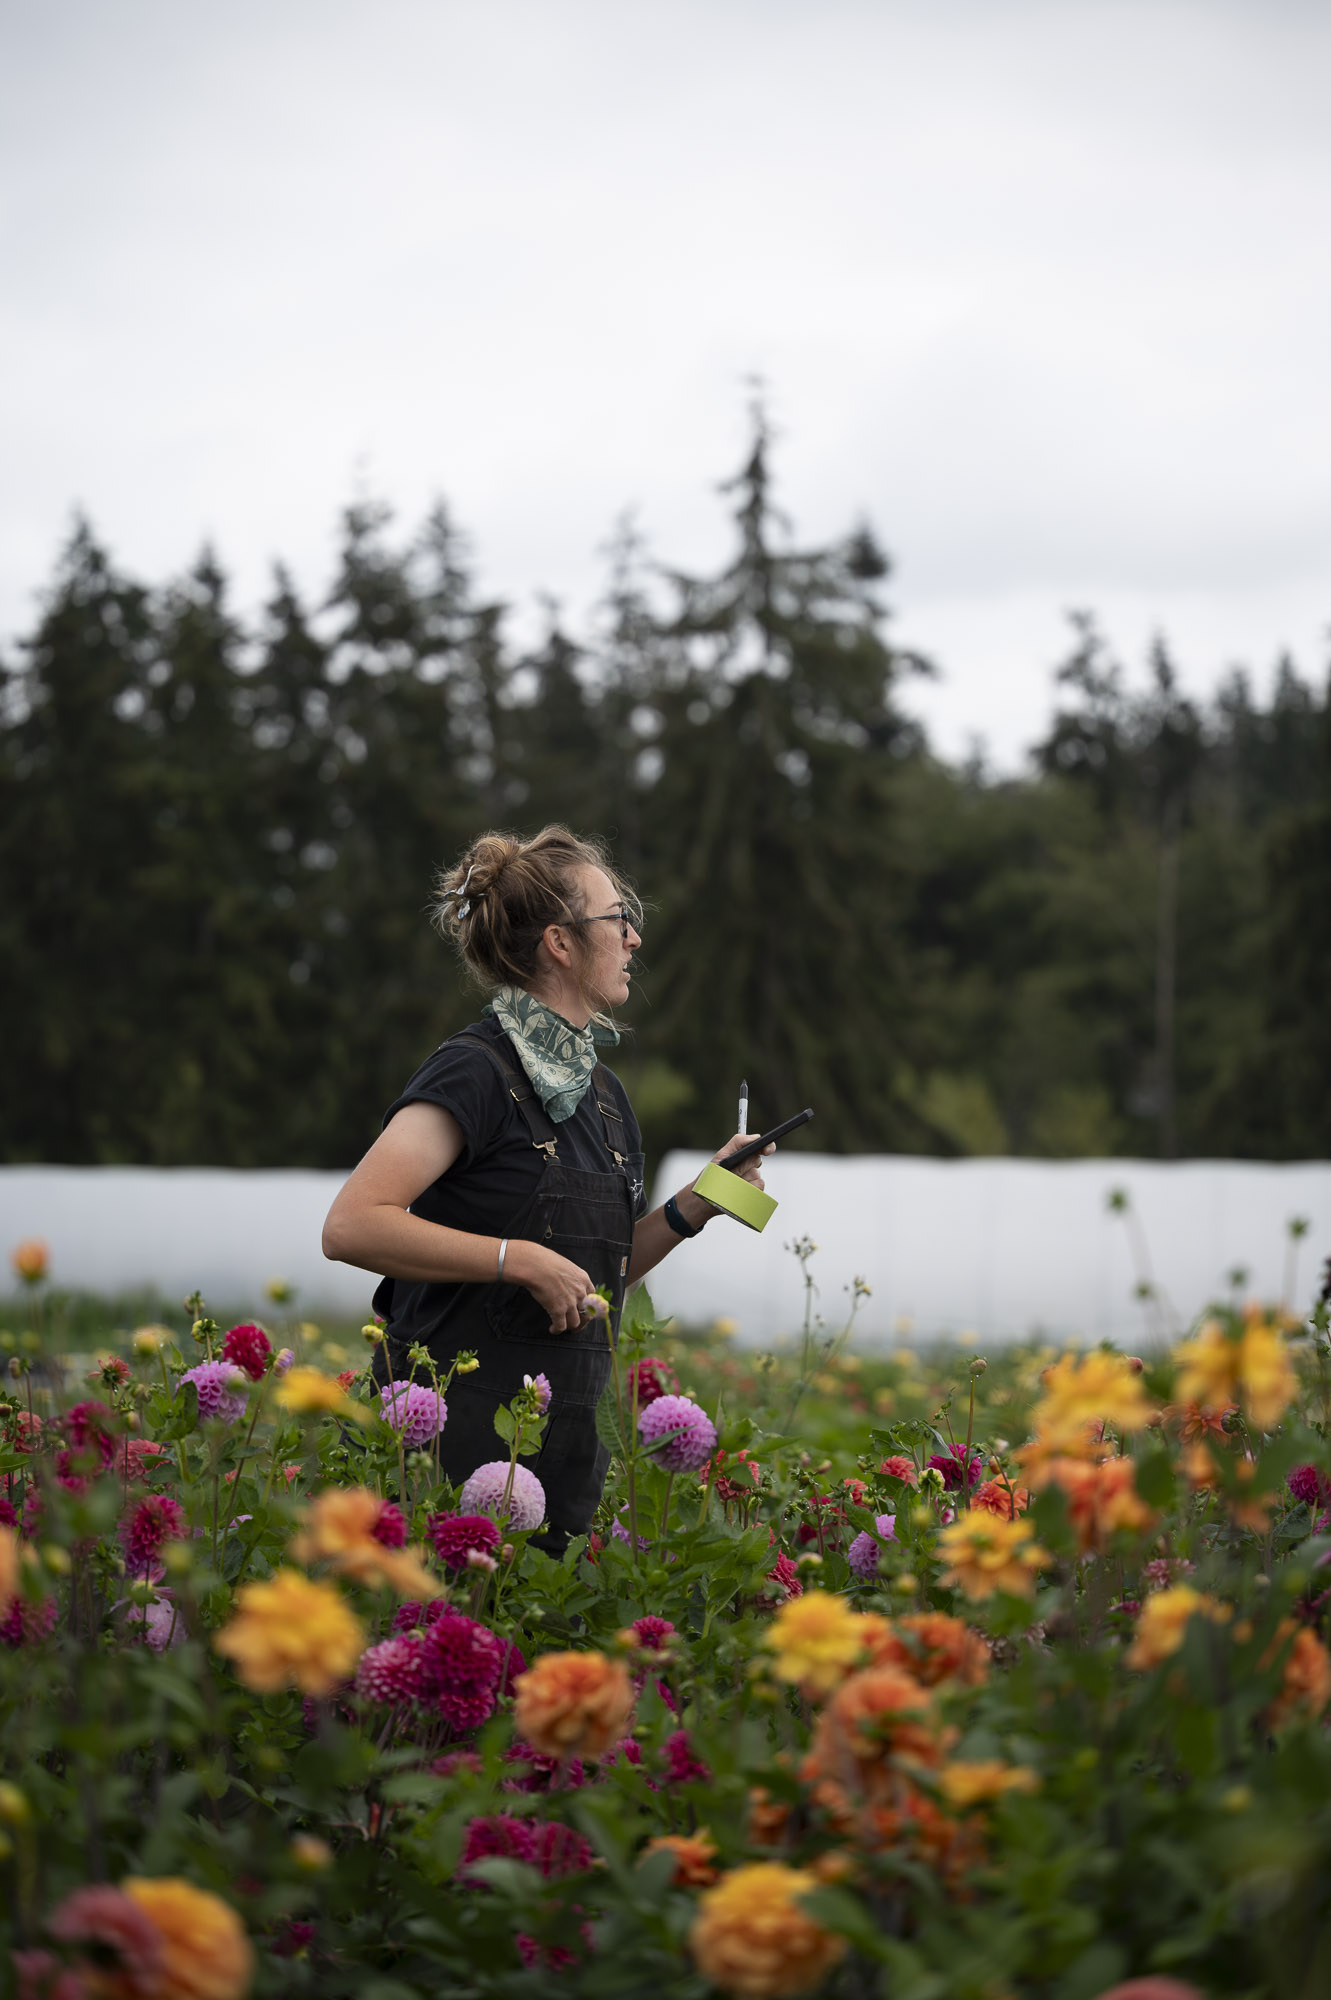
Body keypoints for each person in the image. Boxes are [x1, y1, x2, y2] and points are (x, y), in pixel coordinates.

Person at [321, 825, 771, 1548]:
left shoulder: (604, 1095)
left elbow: (598, 1275)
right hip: (445, 1462)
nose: (634, 939)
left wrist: (696, 1204)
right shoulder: (473, 1070)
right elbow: (351, 1226)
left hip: (559, 1464)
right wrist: (516, 1258)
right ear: (560, 943)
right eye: (618, 919)